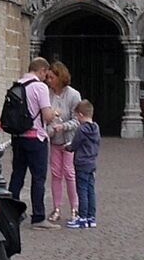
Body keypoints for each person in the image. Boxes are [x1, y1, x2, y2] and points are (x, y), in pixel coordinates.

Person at [9, 58, 54, 224]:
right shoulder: (39, 87)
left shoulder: (17, 85)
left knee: (17, 175)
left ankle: (11, 213)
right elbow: (47, 115)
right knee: (38, 178)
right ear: (41, 70)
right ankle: (38, 216)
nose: (45, 78)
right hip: (36, 137)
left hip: (18, 136)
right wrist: (54, 113)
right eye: (45, 74)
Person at [44, 62, 82, 226]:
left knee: (69, 173)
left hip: (68, 141)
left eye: (52, 77)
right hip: (53, 139)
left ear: (60, 77)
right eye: (48, 77)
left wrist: (63, 126)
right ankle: (56, 208)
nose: (49, 81)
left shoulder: (73, 95)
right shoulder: (48, 94)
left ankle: (75, 208)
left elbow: (77, 120)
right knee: (55, 174)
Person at [69, 99, 102, 228]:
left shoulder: (81, 130)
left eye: (77, 116)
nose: (76, 118)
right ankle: (91, 217)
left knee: (81, 190)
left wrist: (67, 147)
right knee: (91, 190)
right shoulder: (96, 128)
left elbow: (74, 145)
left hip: (81, 163)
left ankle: (82, 217)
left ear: (81, 115)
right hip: (92, 162)